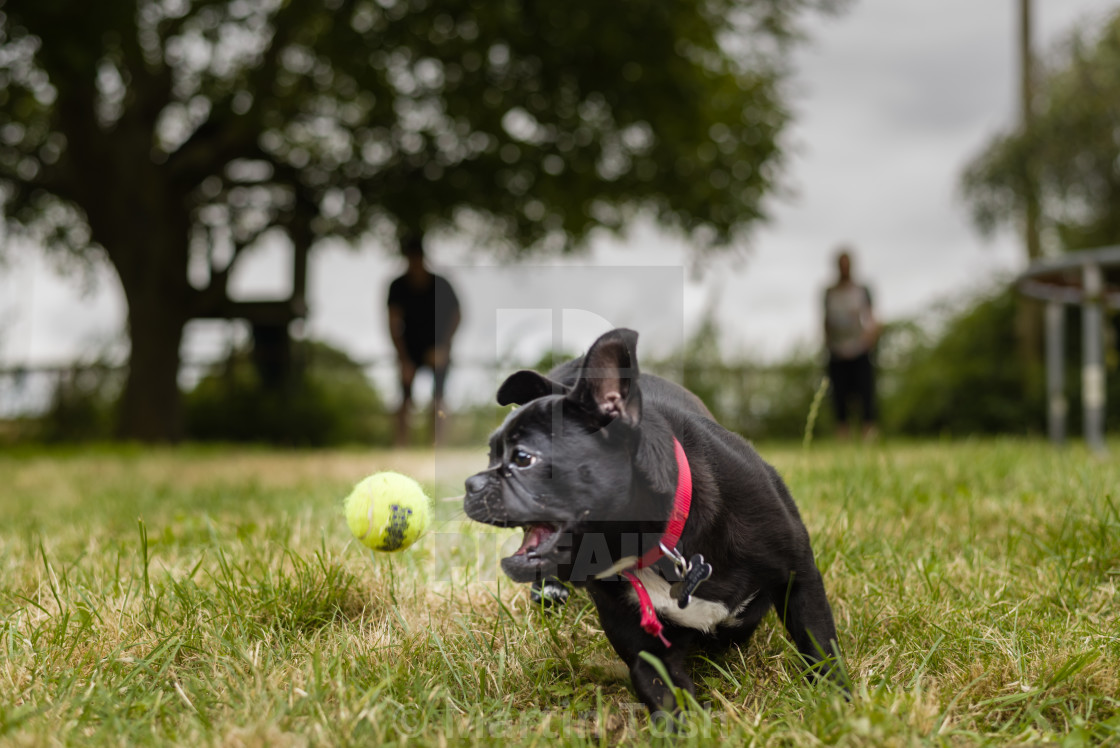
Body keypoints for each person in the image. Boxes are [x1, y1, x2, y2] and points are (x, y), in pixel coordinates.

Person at [387, 233, 461, 446]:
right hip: (409, 347)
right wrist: (403, 360)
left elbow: (457, 316)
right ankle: (400, 445)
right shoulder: (398, 286)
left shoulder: (442, 285)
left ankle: (437, 445)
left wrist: (443, 347)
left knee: (438, 399)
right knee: (404, 399)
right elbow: (393, 323)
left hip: (437, 346)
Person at [823, 248, 881, 440]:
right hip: (837, 352)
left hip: (860, 350)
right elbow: (825, 321)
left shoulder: (862, 289)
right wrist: (828, 345)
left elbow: (871, 317)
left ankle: (869, 438)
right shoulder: (829, 292)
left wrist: (869, 339)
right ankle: (843, 440)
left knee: (866, 397)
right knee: (839, 399)